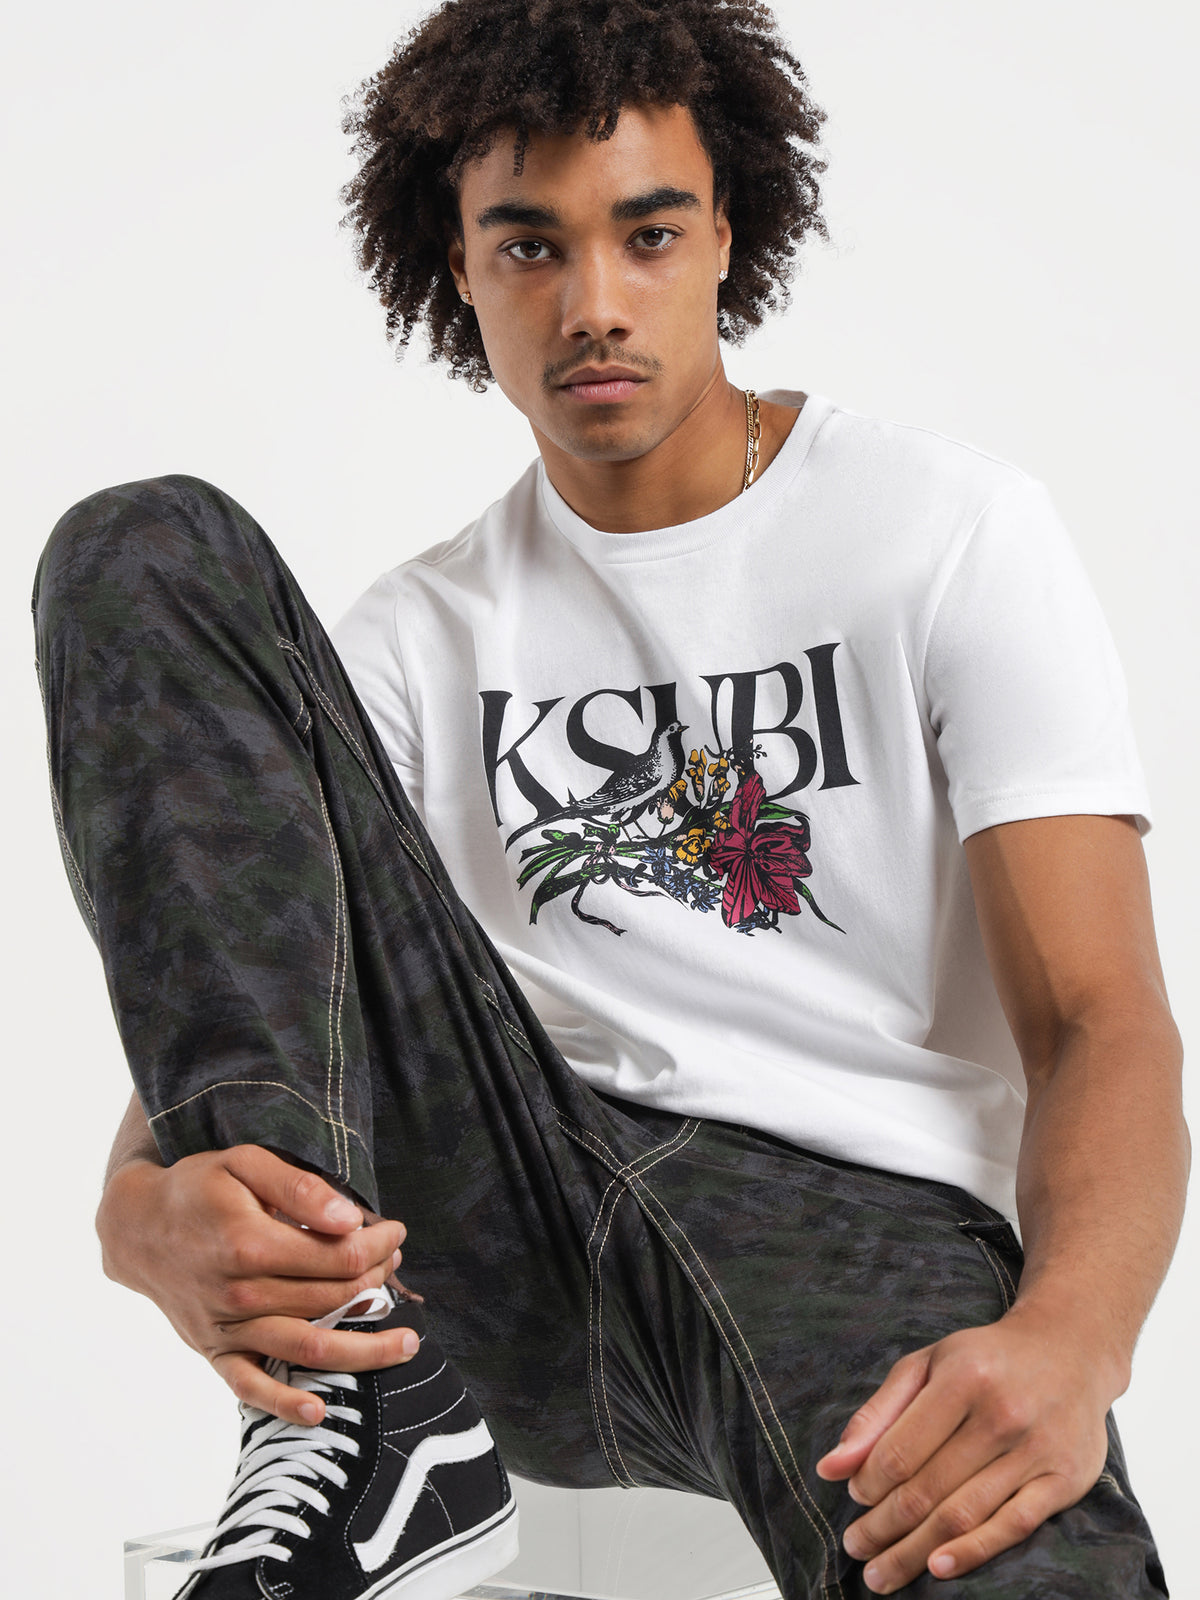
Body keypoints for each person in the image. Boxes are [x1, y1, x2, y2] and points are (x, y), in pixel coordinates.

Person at [32, 2, 1187, 1597]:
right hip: (491, 1215)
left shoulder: (945, 531)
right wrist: (133, 1212)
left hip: (840, 1220)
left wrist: (1074, 1338)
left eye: (648, 235)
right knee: (144, 544)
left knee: (1022, 1565)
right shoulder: (414, 639)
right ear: (456, 269)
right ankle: (371, 1427)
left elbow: (1100, 1017)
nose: (593, 306)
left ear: (726, 235)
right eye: (528, 247)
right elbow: (256, 1008)